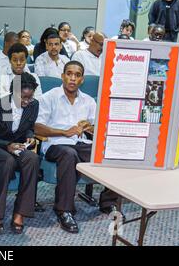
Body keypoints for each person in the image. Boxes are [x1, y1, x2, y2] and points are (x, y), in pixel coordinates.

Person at [35, 61, 119, 234]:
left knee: (110, 152)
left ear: (82, 79)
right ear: (63, 76)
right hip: (55, 144)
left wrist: (89, 127)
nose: (72, 78)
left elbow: (99, 130)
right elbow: (37, 127)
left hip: (81, 144)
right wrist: (64, 132)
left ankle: (109, 202)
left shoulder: (88, 101)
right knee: (69, 153)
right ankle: (64, 210)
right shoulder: (49, 97)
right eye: (69, 73)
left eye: (77, 75)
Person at [0, 72, 40, 235]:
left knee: (33, 159)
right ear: (14, 92)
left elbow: (29, 127)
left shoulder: (34, 105)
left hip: (16, 147)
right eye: (23, 97)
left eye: (30, 97)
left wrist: (30, 137)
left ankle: (20, 212)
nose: (27, 102)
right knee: (7, 160)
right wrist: (7, 145)